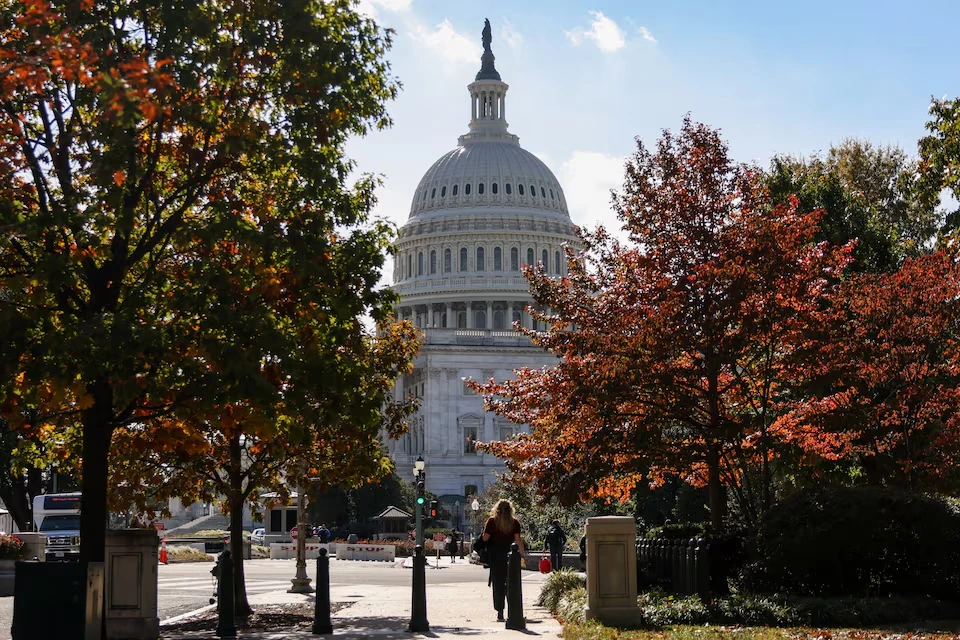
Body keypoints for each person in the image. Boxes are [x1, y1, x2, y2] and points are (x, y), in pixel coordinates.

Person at [481, 499, 525, 622]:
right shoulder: (514, 522)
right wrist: (522, 556)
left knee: (498, 584)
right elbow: (518, 540)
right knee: (511, 584)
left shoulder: (491, 521)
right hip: (510, 557)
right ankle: (513, 609)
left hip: (495, 557)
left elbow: (485, 538)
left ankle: (500, 612)